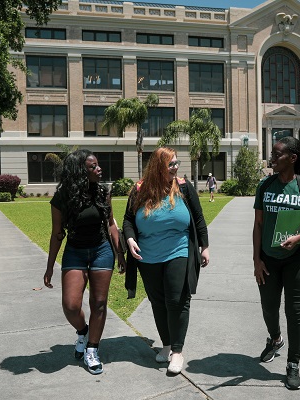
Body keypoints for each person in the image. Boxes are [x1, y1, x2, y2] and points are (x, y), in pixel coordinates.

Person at [123, 147, 210, 375]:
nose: (175, 167)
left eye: (176, 163)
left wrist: (205, 246)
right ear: (158, 166)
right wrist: (130, 238)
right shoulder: (139, 190)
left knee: (177, 299)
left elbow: (198, 218)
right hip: (148, 256)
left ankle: (178, 352)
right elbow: (128, 220)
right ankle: (167, 346)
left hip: (179, 251)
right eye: (171, 164)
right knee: (158, 301)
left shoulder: (183, 187)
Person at [44, 149, 126, 375]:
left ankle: (92, 349)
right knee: (70, 305)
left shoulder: (102, 192)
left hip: (101, 250)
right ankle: (83, 331)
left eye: (98, 165)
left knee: (98, 303)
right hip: (75, 252)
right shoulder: (62, 197)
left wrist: (120, 253)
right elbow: (57, 233)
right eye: (93, 167)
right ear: (81, 172)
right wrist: (50, 266)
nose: (99, 169)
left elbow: (110, 223)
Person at [252, 137, 300, 390]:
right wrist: (256, 259)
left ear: (292, 158)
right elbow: (258, 224)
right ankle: (275, 339)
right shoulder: (265, 186)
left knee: (295, 312)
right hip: (269, 260)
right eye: (271, 153)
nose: (272, 157)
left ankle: (293, 364)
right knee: (269, 308)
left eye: (277, 154)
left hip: (298, 259)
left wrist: (298, 238)